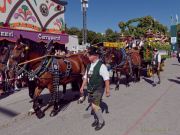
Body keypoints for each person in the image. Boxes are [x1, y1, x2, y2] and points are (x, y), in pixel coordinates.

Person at [80, 46, 110, 131]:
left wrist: (107, 90)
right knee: (93, 106)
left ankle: (101, 121)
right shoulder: (89, 65)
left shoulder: (102, 66)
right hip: (90, 89)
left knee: (95, 106)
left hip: (98, 89)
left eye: (89, 55)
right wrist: (82, 87)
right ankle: (97, 119)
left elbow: (106, 79)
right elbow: (86, 77)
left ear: (95, 56)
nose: (88, 56)